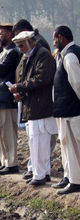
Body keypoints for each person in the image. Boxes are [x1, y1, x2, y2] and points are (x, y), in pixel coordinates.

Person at [9, 31, 57, 186]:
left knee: (40, 141)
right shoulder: (26, 57)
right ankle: (40, 172)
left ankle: (41, 174)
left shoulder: (43, 55)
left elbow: (42, 78)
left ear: (30, 41)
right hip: (31, 105)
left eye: (22, 45)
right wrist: (18, 91)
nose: (20, 48)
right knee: (34, 141)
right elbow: (21, 77)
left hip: (42, 105)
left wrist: (20, 87)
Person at [0, 24, 21, 175]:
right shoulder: (2, 52)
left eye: (0, 34)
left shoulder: (13, 52)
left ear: (8, 35)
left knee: (7, 131)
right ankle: (4, 161)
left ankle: (12, 163)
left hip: (6, 98)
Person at [52, 26, 80, 194]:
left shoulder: (69, 57)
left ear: (61, 38)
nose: (53, 42)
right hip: (66, 109)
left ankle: (76, 181)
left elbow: (77, 84)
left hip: (72, 110)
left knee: (72, 146)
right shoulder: (66, 55)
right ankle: (70, 177)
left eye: (55, 39)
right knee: (67, 145)